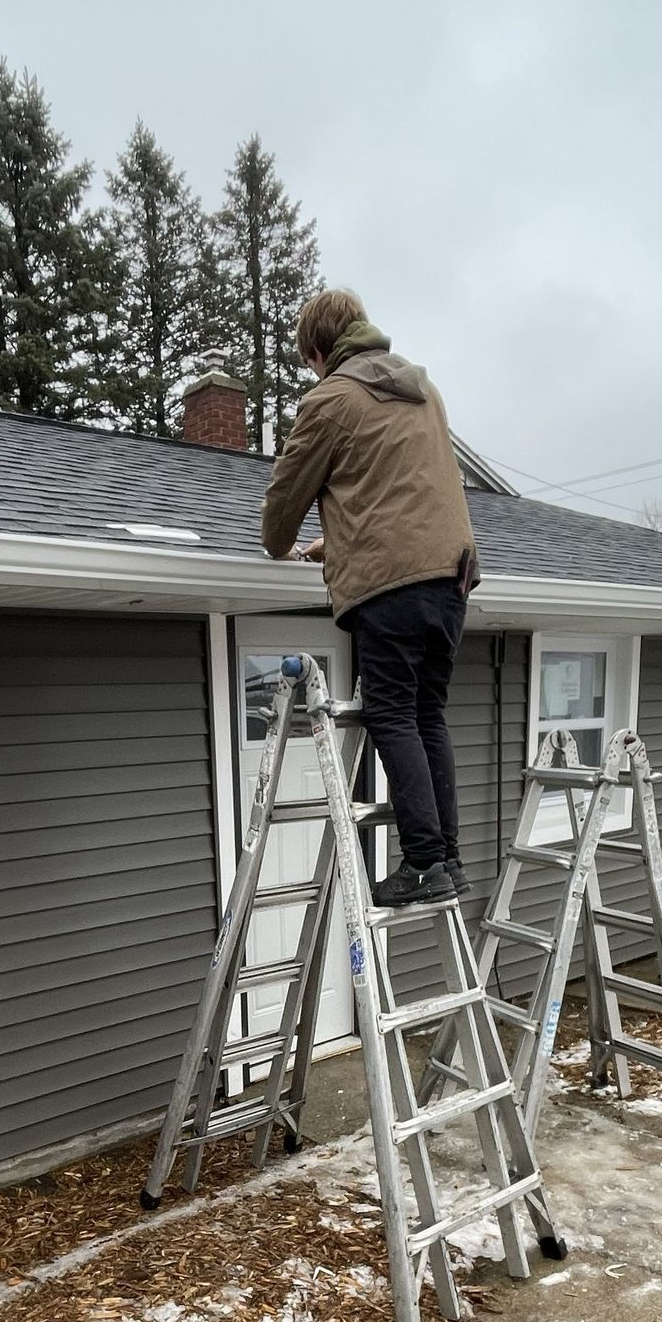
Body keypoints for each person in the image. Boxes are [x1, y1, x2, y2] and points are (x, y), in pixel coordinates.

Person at [260, 289, 479, 908]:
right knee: (428, 712)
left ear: (317, 350)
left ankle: (424, 863)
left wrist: (282, 544)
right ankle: (448, 861)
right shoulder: (422, 390)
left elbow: (283, 507)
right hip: (452, 579)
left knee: (391, 713)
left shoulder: (331, 399)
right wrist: (335, 543)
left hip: (393, 587)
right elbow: (402, 495)